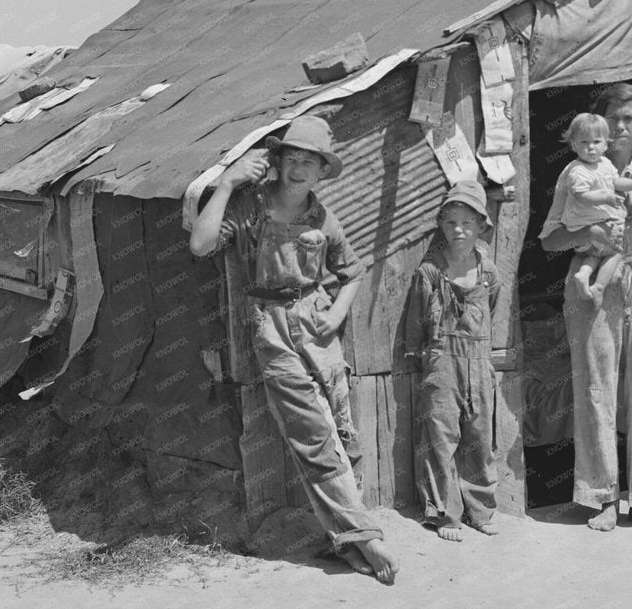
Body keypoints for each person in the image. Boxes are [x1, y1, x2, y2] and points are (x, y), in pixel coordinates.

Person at [189, 114, 398, 583]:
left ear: (323, 171)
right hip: (270, 327)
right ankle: (366, 536)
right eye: (294, 158)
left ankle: (344, 539)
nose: (301, 169)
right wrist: (225, 186)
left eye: (312, 162)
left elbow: (354, 272)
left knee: (342, 430)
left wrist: (339, 312)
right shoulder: (250, 208)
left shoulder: (322, 218)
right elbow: (201, 245)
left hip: (318, 324)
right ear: (278, 162)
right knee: (311, 434)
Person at [539, 83, 632, 532]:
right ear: (597, 122)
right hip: (591, 279)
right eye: (613, 117)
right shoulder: (575, 173)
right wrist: (589, 238)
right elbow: (548, 239)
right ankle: (601, 497)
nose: (620, 127)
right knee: (595, 387)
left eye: (630, 119)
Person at [404, 180, 501, 542]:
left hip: (478, 360)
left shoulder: (489, 272)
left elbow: (492, 310)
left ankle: (481, 510)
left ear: (480, 226)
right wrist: (425, 359)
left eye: (467, 222)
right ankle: (445, 513)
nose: (458, 229)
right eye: (450, 222)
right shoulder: (431, 270)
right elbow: (416, 320)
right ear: (442, 227)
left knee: (479, 435)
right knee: (441, 436)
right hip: (442, 360)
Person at [551, 112, 632, 303]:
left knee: (595, 255)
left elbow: (616, 182)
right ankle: (600, 286)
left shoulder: (605, 164)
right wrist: (605, 197)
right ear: (573, 145)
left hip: (595, 230)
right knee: (616, 251)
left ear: (606, 144)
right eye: (584, 143)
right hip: (583, 226)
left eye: (596, 142)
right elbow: (581, 195)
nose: (591, 148)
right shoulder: (577, 170)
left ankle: (584, 275)